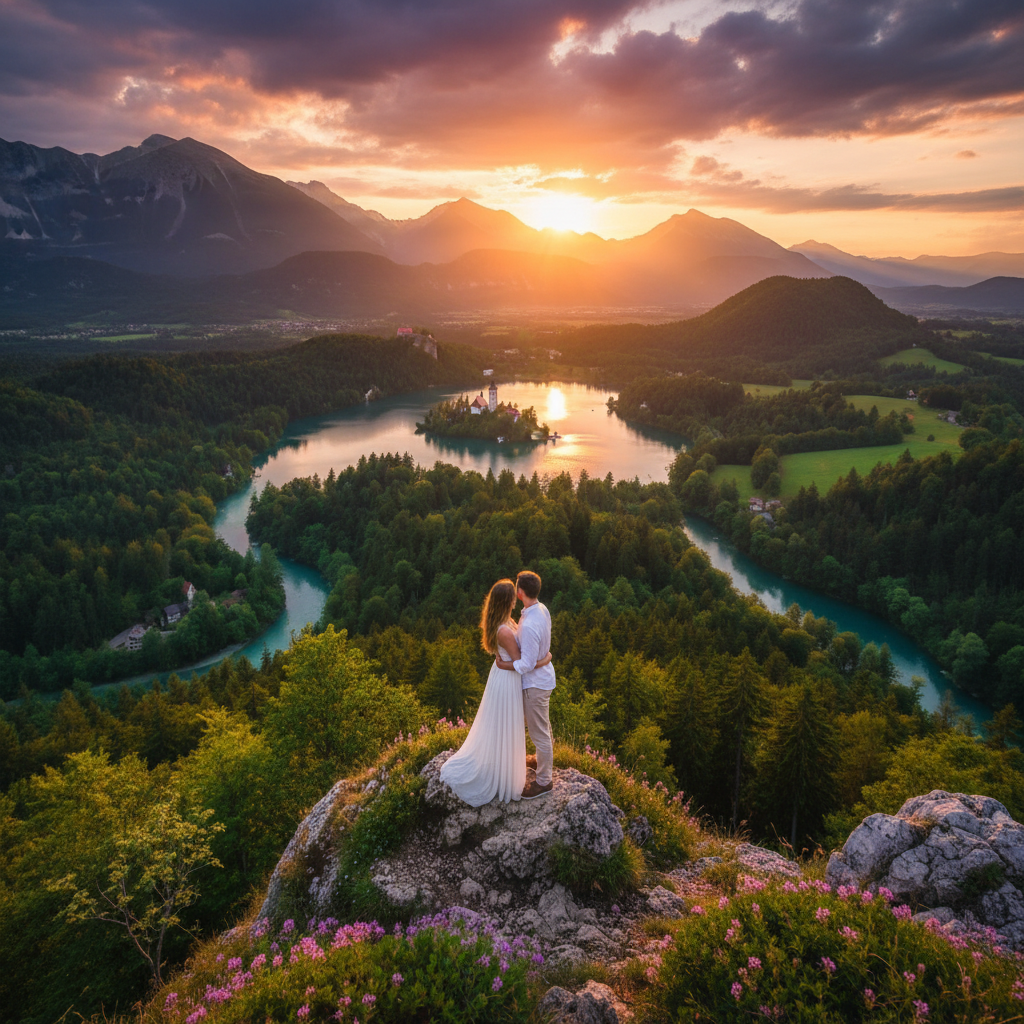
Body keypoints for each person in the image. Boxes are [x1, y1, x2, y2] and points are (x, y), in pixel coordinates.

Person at [439, 578, 552, 806]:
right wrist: (545, 659)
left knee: (509, 724)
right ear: (506, 601)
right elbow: (523, 663)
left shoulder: (504, 620)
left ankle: (511, 760)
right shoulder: (505, 631)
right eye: (512, 598)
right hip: (508, 678)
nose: (515, 601)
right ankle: (507, 767)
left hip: (506, 676)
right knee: (507, 724)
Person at [496, 570, 555, 800]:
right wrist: (547, 657)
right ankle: (541, 760)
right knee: (541, 729)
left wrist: (504, 666)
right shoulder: (541, 609)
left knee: (540, 734)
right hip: (542, 679)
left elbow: (526, 664)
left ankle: (544, 781)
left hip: (535, 684)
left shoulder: (529, 624)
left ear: (520, 593)